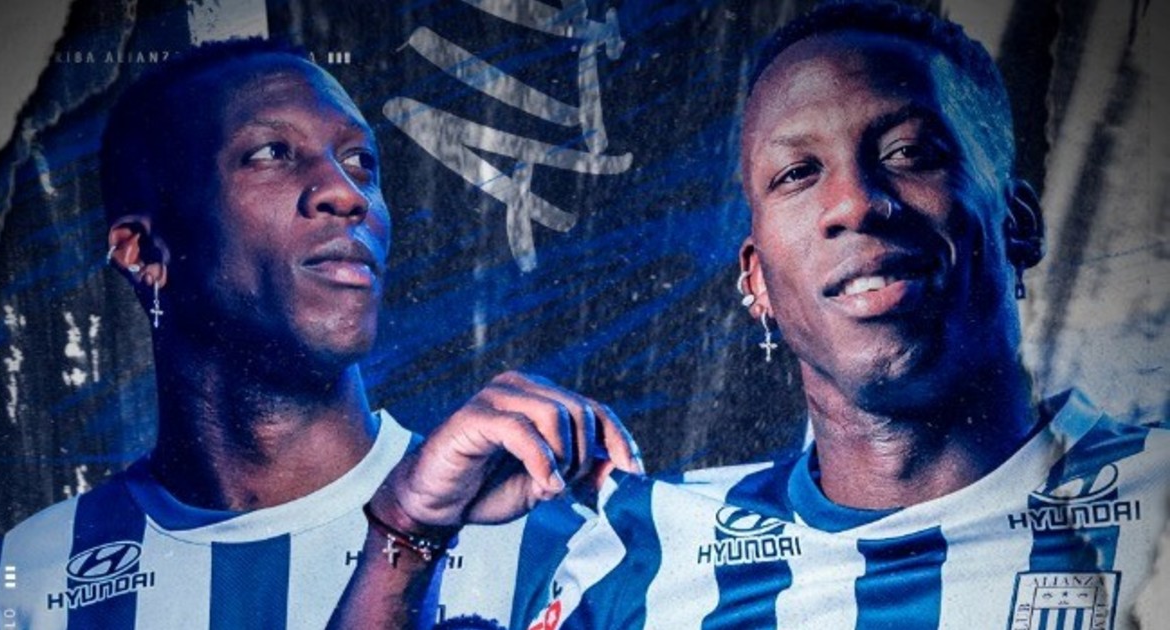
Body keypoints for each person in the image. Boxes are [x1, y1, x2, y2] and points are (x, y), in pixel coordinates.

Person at [334, 2, 1169, 628]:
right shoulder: (647, 552)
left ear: (1017, 223)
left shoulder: (1155, 505)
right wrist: (409, 523)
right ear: (756, 281)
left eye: (910, 152)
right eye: (797, 174)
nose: (856, 202)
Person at [0, 39, 639, 629]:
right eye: (271, 154)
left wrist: (409, 533)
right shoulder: (15, 591)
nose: (345, 192)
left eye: (360, 161)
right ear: (144, 253)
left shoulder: (554, 540)